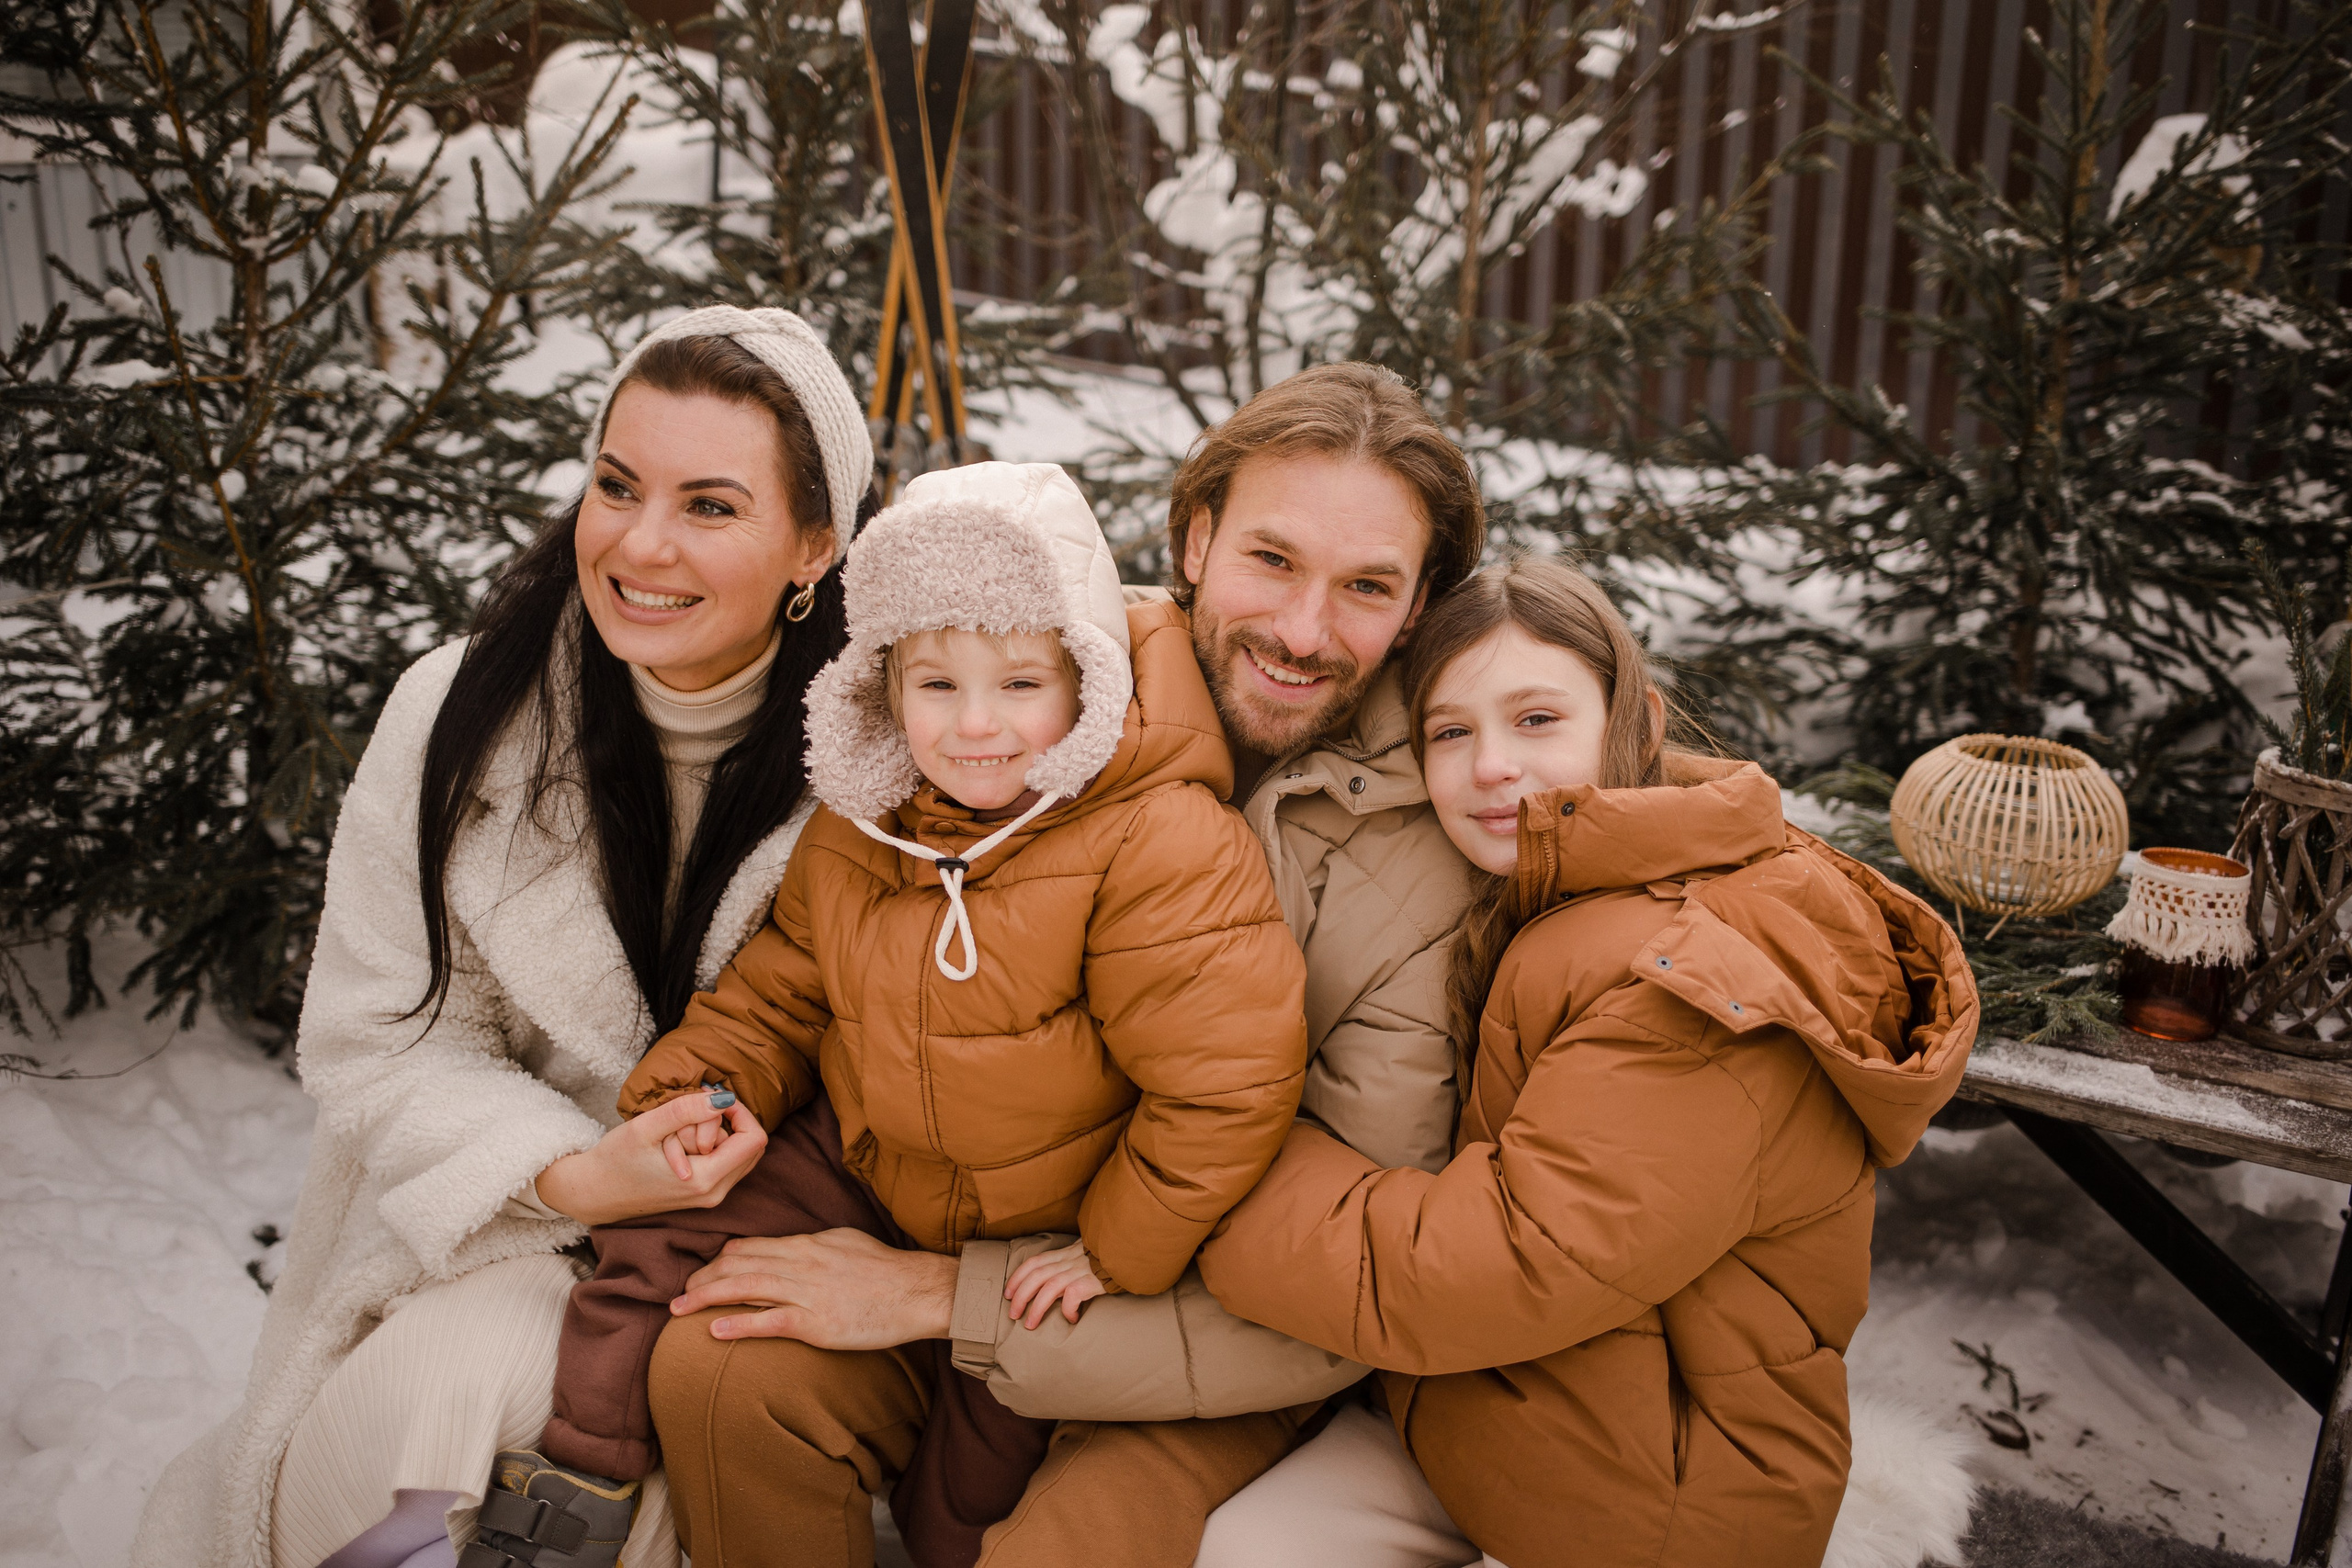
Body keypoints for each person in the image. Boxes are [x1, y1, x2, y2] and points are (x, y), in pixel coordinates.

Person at [642, 363, 1487, 1565]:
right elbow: (826, 940)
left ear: (1415, 609)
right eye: (1273, 560)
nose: (1304, 630)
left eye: (1366, 586)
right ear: (1194, 540)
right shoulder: (1024, 670)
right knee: (727, 1371)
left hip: (1204, 1325)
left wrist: (949, 1294)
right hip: (966, 1201)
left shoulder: (1430, 861)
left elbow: (1352, 1278)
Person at [128, 306, 876, 1568]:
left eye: (709, 505)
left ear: (814, 544)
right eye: (616, 483)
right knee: (447, 1411)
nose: (639, 544)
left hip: (756, 1259)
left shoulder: (887, 759)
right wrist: (577, 1173)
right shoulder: (466, 713)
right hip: (498, 1225)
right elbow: (380, 1036)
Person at [503, 460, 1309, 1568]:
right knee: (693, 1264)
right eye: (937, 687)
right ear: (884, 689)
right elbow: (782, 986)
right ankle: (584, 1450)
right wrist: (703, 1086)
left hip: (1047, 1237)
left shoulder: (1156, 842)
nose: (976, 728)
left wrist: (1111, 1250)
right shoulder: (867, 823)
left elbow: (1226, 1084)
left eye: (1020, 686)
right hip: (878, 1181)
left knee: (965, 1511)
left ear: (1088, 677)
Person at [1189, 555, 1980, 1568]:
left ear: (1635, 724)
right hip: (1498, 1423)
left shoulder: (1693, 976)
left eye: (1535, 721)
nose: (1489, 768)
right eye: (1450, 732)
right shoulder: (1568, 896)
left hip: (1653, 1502)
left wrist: (1210, 1171)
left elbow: (1494, 1269)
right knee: (1240, 1546)